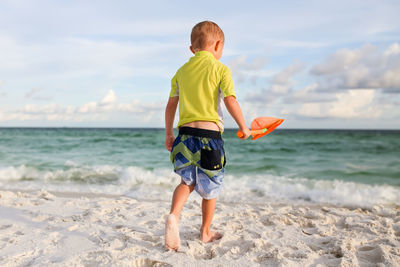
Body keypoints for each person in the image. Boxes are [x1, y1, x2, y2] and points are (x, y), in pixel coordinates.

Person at [164, 21, 251, 251]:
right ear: (218, 45)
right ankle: (205, 232)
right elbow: (231, 100)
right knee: (211, 187)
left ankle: (174, 215)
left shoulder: (181, 72)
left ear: (192, 49)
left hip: (184, 136)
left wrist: (169, 133)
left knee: (186, 181)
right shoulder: (221, 69)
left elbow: (171, 106)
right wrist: (244, 126)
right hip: (210, 137)